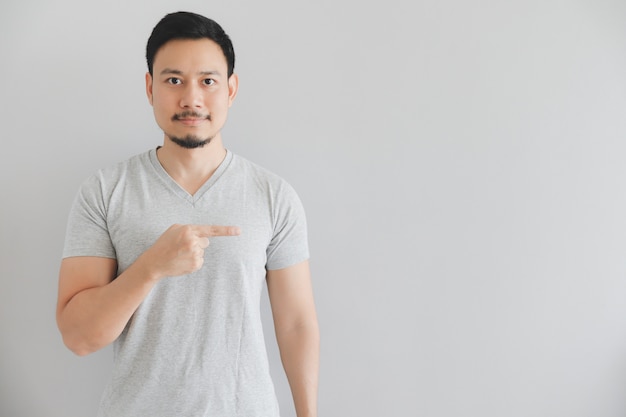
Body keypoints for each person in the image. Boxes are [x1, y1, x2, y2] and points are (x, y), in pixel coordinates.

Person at [56, 11, 319, 417]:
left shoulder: (273, 196)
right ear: (150, 87)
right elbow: (79, 337)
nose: (191, 98)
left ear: (231, 89)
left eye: (208, 81)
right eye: (173, 80)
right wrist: (150, 267)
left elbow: (296, 325)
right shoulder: (106, 191)